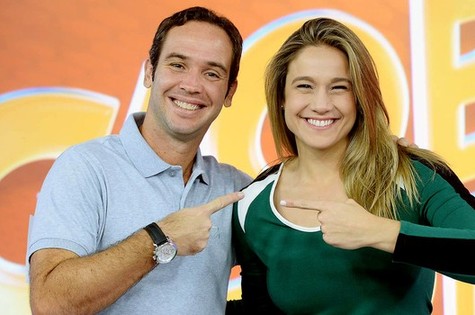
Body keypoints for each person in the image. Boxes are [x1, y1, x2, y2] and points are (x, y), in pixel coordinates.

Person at [228, 17, 475, 314]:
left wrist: (381, 233)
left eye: (339, 87)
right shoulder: (251, 205)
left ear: (360, 97)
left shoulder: (413, 175)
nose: (321, 104)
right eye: (305, 86)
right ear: (282, 97)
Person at [27, 6, 252, 314]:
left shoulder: (238, 189)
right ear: (149, 72)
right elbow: (50, 303)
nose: (192, 85)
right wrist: (161, 238)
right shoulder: (85, 168)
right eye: (177, 65)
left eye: (212, 73)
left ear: (230, 92)